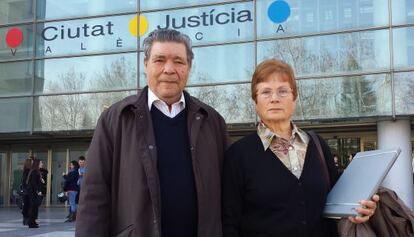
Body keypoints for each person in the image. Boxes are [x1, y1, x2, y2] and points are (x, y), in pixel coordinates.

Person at [76, 28, 228, 237]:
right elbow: (93, 197)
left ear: (189, 67)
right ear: (145, 65)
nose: (169, 69)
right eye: (159, 60)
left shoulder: (212, 122)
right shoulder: (116, 119)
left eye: (178, 61)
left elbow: (230, 196)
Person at [222, 59, 378, 237]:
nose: (274, 98)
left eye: (282, 91)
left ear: (294, 98)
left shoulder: (317, 145)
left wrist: (361, 209)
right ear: (255, 101)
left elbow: (340, 204)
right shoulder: (238, 154)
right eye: (265, 92)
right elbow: (230, 222)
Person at [26, 159, 42, 228]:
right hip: (32, 192)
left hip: (33, 192)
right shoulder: (34, 172)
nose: (42, 164)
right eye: (41, 163)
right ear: (37, 164)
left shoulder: (36, 171)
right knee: (33, 207)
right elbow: (33, 183)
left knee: (34, 207)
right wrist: (37, 191)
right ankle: (31, 223)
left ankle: (33, 222)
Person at [21, 157, 33, 226]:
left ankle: (25, 220)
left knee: (26, 205)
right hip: (28, 191)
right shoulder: (28, 171)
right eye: (31, 162)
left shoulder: (25, 171)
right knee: (28, 206)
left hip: (26, 191)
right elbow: (27, 182)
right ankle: (27, 220)